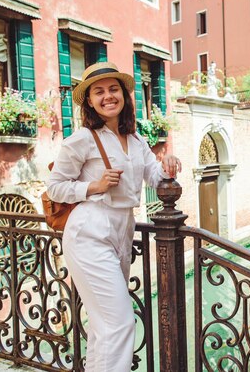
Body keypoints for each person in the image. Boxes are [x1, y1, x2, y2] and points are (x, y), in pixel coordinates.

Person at [47, 62, 182, 372]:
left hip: (122, 231)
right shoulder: (82, 139)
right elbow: (55, 188)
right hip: (89, 232)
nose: (108, 96)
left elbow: (155, 176)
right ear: (90, 101)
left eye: (113, 89)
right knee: (120, 323)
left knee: (103, 326)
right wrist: (94, 185)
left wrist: (169, 165)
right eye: (99, 92)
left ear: (123, 94)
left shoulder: (135, 141)